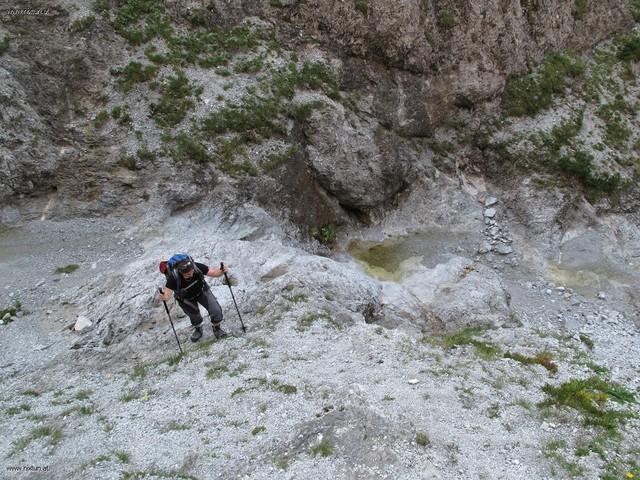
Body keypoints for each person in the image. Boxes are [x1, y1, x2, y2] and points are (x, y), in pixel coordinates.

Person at [158, 258, 229, 342]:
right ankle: (198, 329)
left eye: (191, 271)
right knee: (194, 316)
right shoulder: (174, 277)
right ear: (180, 272)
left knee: (215, 309)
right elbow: (167, 294)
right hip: (185, 298)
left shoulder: (197, 267)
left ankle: (217, 328)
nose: (190, 274)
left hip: (202, 291)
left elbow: (214, 273)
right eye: (187, 274)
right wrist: (164, 296)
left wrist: (222, 271)